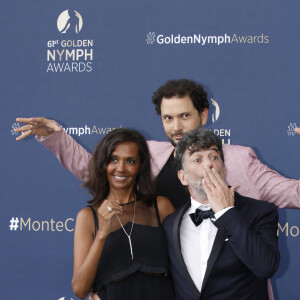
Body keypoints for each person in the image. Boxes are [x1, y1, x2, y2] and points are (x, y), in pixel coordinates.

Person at [14, 79, 299, 299]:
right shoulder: (152, 155)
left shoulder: (238, 159)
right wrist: (57, 139)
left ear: (204, 114)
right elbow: (102, 172)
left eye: (185, 116)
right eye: (168, 118)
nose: (177, 127)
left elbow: (291, 193)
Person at [163, 128, 280, 300]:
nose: (209, 164)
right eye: (197, 159)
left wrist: (226, 212)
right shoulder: (170, 224)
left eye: (214, 157)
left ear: (223, 169)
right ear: (183, 177)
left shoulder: (260, 212)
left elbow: (265, 267)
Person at [72, 128, 175, 299]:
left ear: (140, 166)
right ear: (103, 164)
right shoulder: (88, 217)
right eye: (113, 159)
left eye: (130, 161)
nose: (120, 168)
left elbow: (186, 268)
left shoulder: (161, 207)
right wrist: (102, 234)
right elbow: (80, 289)